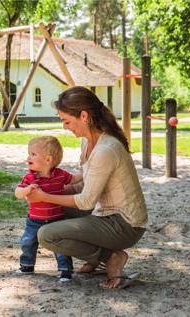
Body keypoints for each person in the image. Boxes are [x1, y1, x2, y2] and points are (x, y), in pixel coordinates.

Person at [29, 86, 147, 289]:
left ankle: (111, 257)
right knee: (48, 212)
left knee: (46, 234)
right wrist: (44, 189)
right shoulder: (88, 142)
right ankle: (96, 258)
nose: (65, 127)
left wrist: (45, 196)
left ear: (83, 116)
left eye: (67, 121)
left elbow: (86, 201)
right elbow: (85, 184)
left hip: (125, 224)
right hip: (104, 215)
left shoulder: (105, 149)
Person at [15, 136, 82, 282]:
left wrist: (88, 170)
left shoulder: (60, 175)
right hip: (34, 220)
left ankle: (65, 270)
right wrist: (26, 190)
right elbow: (17, 193)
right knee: (27, 242)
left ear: (48, 160)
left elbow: (75, 179)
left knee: (59, 246)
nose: (28, 157)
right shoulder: (30, 178)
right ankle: (27, 265)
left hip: (56, 219)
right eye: (29, 153)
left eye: (33, 154)